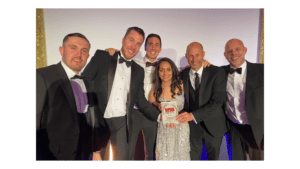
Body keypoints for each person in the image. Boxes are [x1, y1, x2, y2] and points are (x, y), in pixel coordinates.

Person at [82, 27, 160, 161]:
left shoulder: (138, 70)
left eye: (138, 44)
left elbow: (140, 100)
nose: (133, 46)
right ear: (123, 40)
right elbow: (84, 83)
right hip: (99, 121)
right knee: (96, 159)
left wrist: (161, 117)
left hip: (122, 123)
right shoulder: (103, 57)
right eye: (131, 40)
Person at [35, 33, 103, 161]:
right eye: (73, 48)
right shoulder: (42, 76)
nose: (79, 55)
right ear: (62, 50)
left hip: (84, 155)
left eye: (84, 51)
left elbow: (92, 120)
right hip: (53, 156)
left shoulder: (89, 81)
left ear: (88, 55)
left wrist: (96, 150)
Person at [177, 42, 227, 161]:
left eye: (198, 55)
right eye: (191, 55)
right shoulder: (182, 74)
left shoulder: (217, 72)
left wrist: (192, 115)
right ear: (186, 56)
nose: (194, 59)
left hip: (214, 126)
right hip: (192, 128)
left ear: (203, 54)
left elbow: (217, 102)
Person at [222, 38, 265, 161]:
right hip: (234, 127)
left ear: (245, 50)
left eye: (237, 49)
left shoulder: (263, 70)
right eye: (229, 51)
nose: (233, 53)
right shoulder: (220, 72)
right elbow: (200, 70)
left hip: (256, 128)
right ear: (225, 55)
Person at [148, 57, 190, 161]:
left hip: (181, 128)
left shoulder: (182, 86)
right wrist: (158, 106)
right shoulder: (153, 92)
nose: (165, 73)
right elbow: (153, 113)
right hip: (164, 130)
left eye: (168, 69)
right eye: (161, 70)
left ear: (173, 71)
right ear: (157, 72)